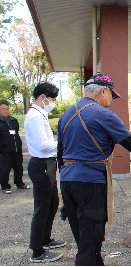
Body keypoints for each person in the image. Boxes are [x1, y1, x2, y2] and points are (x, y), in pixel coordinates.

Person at [57, 73, 131, 266]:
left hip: (68, 181)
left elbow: (60, 152)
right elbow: (130, 142)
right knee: (89, 243)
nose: (111, 101)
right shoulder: (102, 114)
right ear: (103, 91)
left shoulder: (67, 114)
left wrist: (68, 196)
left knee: (85, 240)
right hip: (90, 182)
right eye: (112, 96)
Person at [24, 83, 65, 263]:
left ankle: (45, 239)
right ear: (43, 97)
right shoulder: (34, 116)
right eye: (53, 99)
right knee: (41, 208)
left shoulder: (41, 114)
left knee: (52, 203)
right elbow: (43, 145)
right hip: (40, 164)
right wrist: (63, 144)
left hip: (47, 164)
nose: (53, 102)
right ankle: (37, 251)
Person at [0, 100, 29, 194]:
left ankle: (19, 183)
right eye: (3, 109)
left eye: (7, 109)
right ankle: (5, 186)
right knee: (5, 170)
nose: (6, 111)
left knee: (18, 168)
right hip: (4, 151)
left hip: (16, 150)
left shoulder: (14, 120)